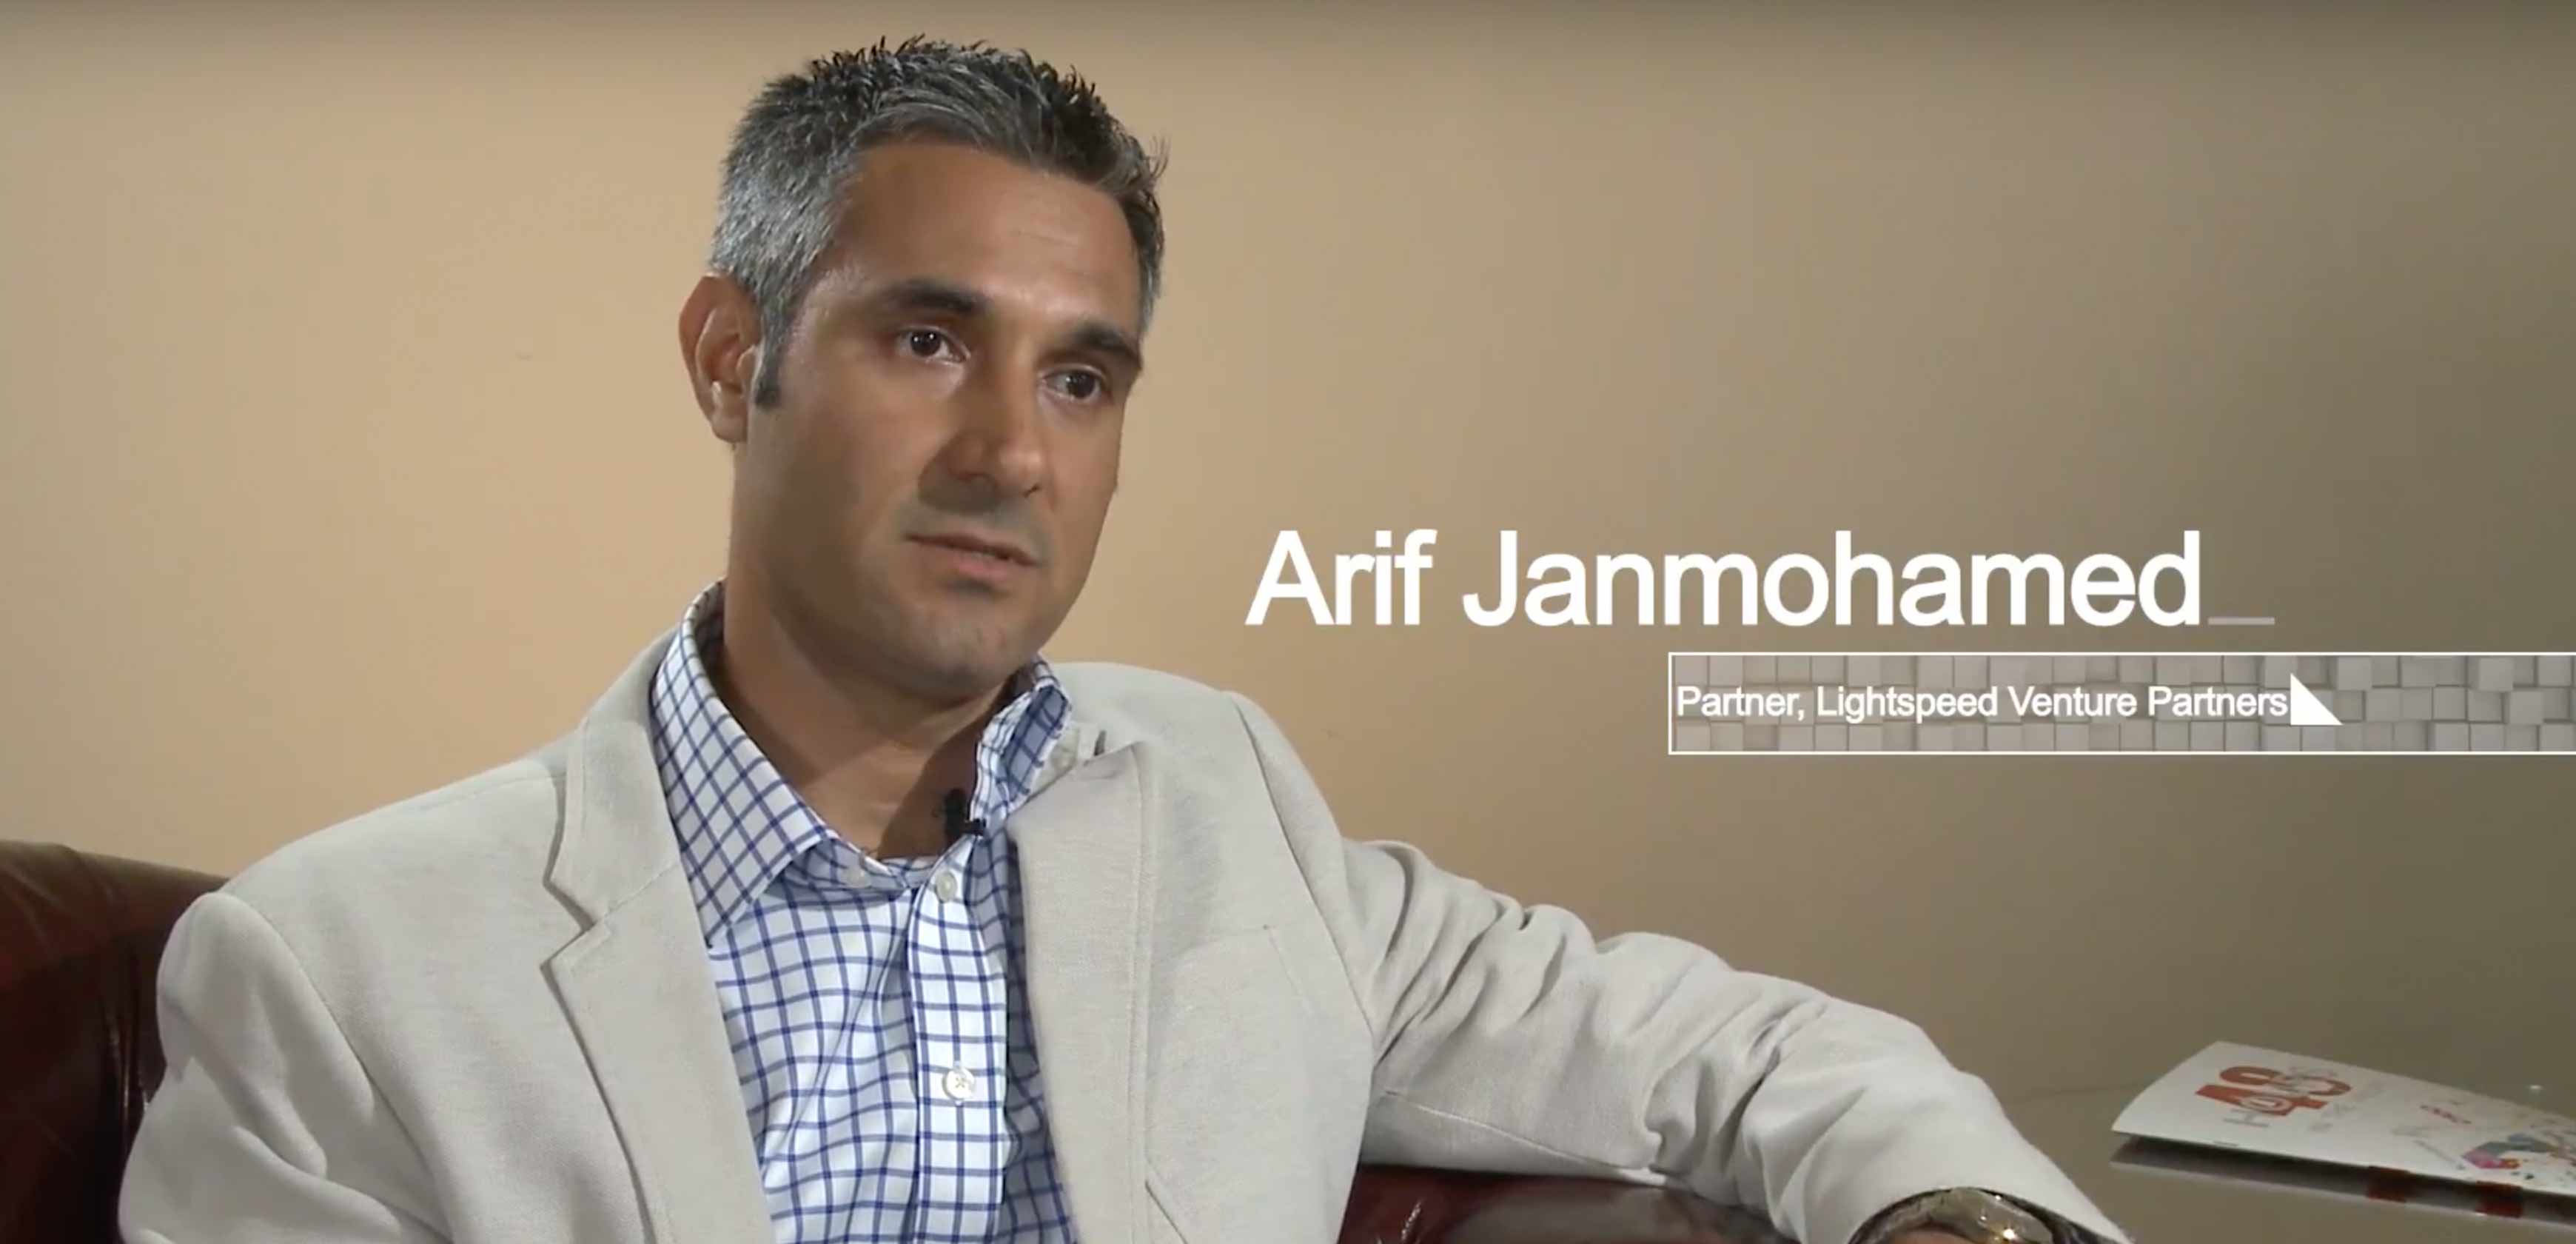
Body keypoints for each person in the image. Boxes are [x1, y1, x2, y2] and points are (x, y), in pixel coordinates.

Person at [120, 39, 2124, 1244]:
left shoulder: (1223, 809)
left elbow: (1729, 1054)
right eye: (930, 341)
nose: (1012, 453)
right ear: (736, 359)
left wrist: (1954, 1215)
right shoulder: (343, 975)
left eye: (1082, 380)